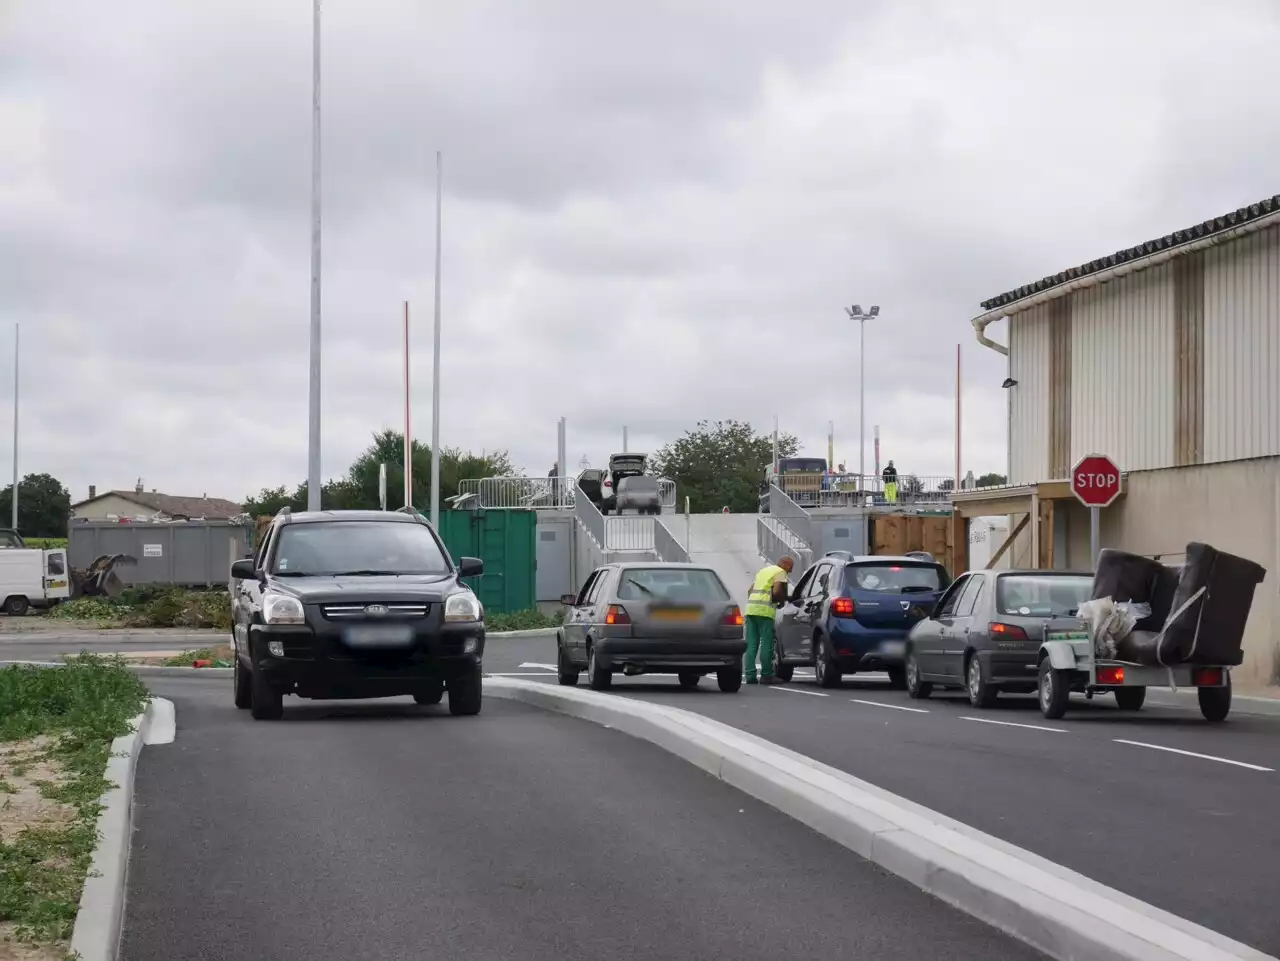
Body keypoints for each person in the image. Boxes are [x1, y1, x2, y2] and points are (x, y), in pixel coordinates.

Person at [743, 555, 793, 685]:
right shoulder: (780, 572)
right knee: (766, 643)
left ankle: (750, 676)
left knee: (751, 644)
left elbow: (750, 590)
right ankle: (766, 675)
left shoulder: (763, 571)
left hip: (751, 610)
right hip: (765, 612)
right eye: (790, 567)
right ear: (785, 564)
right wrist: (780, 601)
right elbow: (776, 591)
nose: (790, 571)